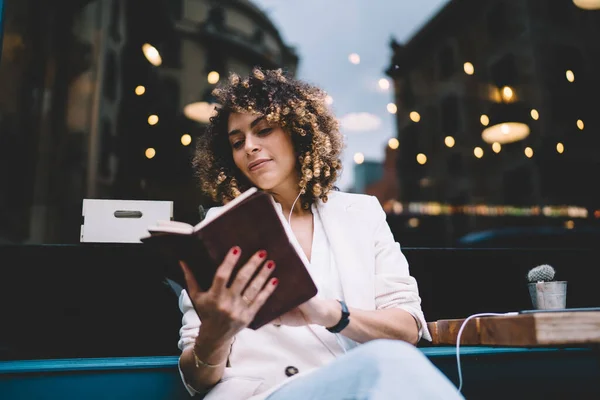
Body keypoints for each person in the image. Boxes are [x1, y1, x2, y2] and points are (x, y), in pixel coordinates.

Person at [177, 68, 463, 399]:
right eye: (238, 142)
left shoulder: (362, 213)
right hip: (259, 395)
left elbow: (408, 328)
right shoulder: (219, 229)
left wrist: (330, 313)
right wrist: (216, 332)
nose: (250, 147)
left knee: (391, 358)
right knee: (389, 360)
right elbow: (196, 381)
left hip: (353, 386)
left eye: (264, 130)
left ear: (299, 132)